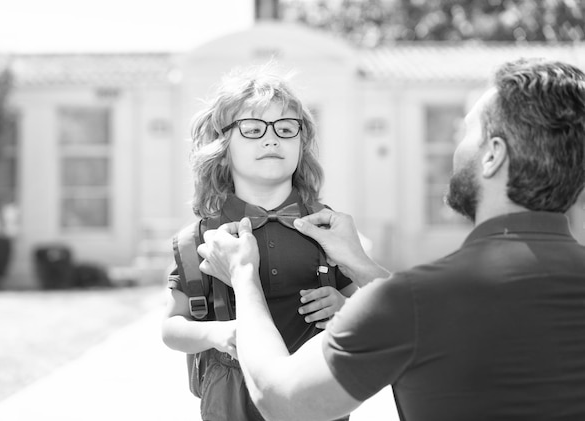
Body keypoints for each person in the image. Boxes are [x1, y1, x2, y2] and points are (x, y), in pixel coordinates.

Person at [197, 57, 585, 421]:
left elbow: (283, 400)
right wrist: (364, 268)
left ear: (492, 156)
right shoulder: (414, 301)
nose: (455, 142)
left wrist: (244, 274)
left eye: (466, 130)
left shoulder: (414, 300)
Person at [161, 63, 358, 421]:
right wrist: (219, 333)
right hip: (231, 399)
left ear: (302, 144)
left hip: (314, 391)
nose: (271, 139)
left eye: (286, 128)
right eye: (252, 129)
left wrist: (344, 305)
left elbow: (369, 306)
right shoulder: (203, 237)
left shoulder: (327, 227)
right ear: (223, 147)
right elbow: (172, 329)